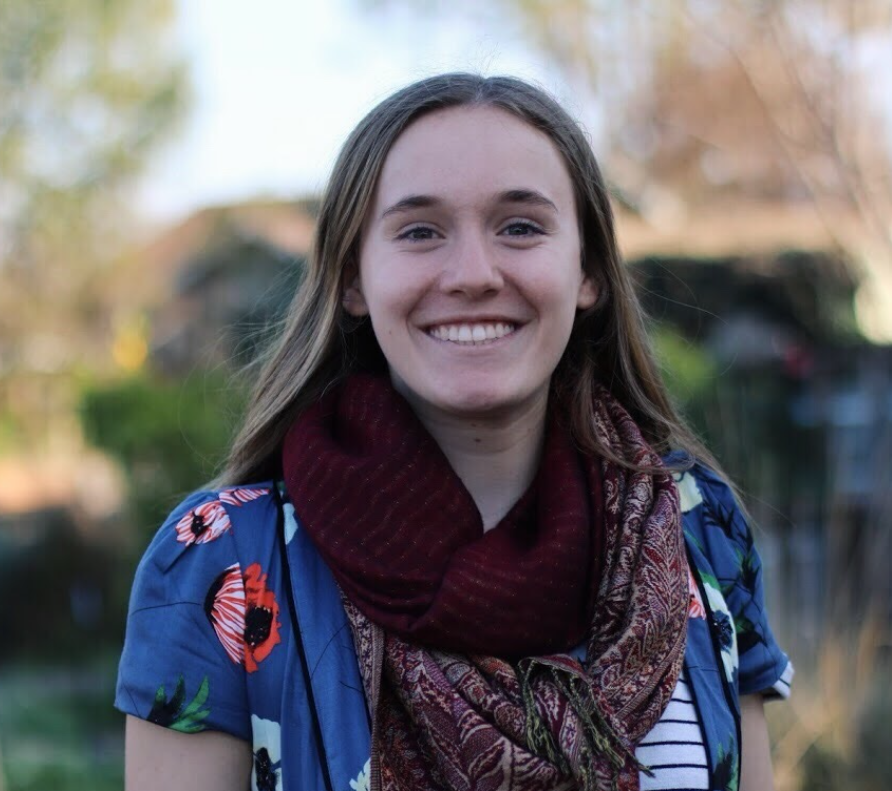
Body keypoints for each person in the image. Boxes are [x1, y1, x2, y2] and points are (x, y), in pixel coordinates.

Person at [116, 73, 793, 791]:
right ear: (353, 279)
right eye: (420, 232)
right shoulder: (222, 560)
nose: (473, 274)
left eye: (520, 226)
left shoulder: (697, 526)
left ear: (589, 269)